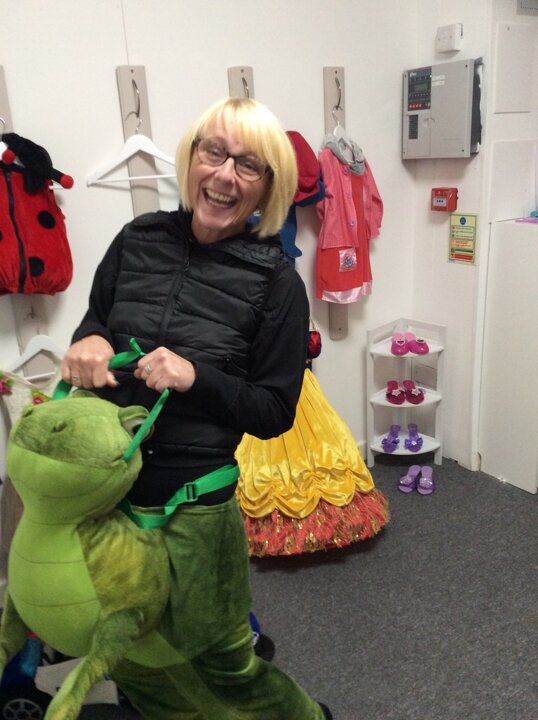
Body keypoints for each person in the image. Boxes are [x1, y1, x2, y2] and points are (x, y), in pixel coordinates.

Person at [60, 97, 332, 720]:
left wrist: (195, 377)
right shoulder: (137, 239)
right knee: (130, 646)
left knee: (220, 659)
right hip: (111, 490)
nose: (225, 175)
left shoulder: (277, 284)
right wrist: (90, 339)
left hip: (195, 505)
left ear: (267, 186)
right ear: (191, 157)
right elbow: (96, 321)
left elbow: (273, 411)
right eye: (215, 152)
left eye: (248, 165)